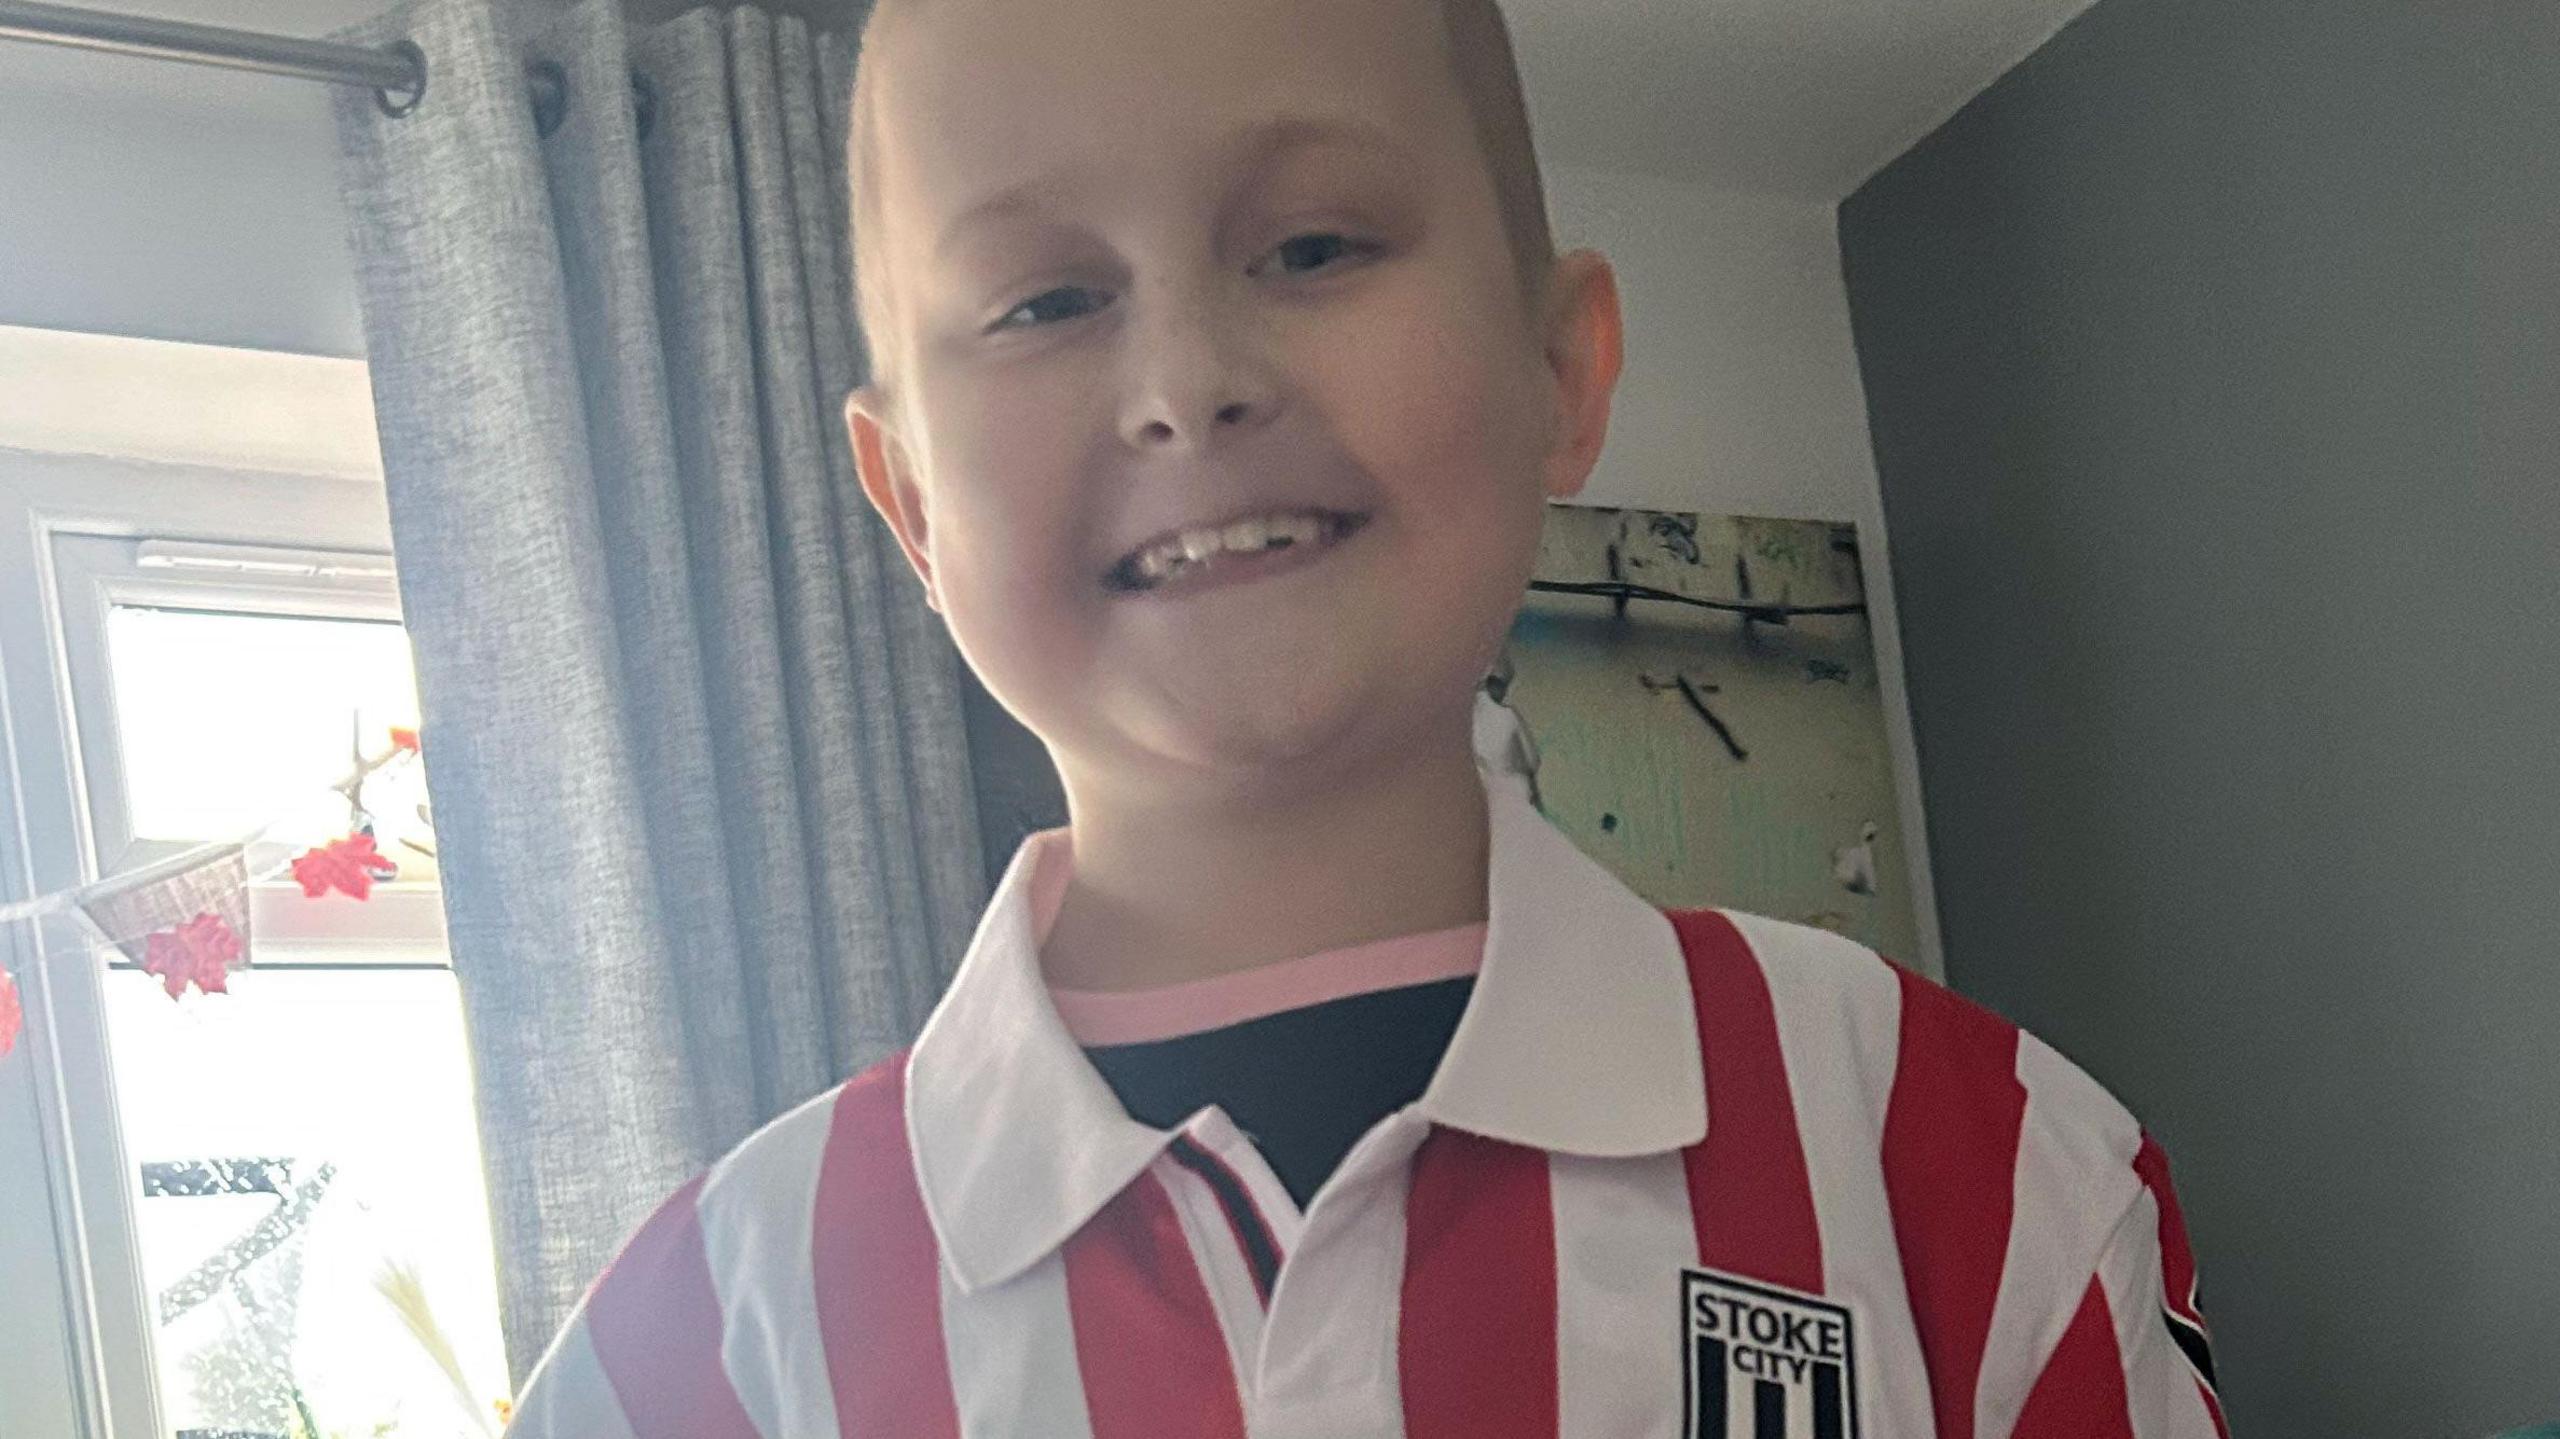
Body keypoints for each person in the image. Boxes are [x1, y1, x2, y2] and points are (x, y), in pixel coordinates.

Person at [502, 0, 2230, 1433]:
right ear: (911, 507)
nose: (1188, 383)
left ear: (1564, 373)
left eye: (1313, 244)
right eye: (1044, 301)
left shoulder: (1985, 1171)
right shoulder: (693, 1364)